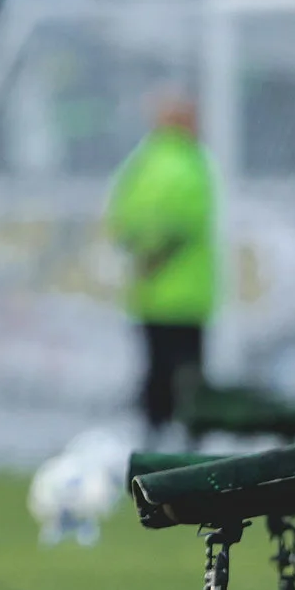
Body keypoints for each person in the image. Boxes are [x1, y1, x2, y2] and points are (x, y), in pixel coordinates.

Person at [106, 93, 216, 447]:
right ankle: (188, 442)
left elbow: (120, 217)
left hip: (148, 290)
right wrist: (159, 255)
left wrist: (142, 256)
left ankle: (152, 437)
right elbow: (186, 222)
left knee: (154, 370)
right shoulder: (191, 162)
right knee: (187, 372)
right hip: (186, 293)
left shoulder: (141, 163)